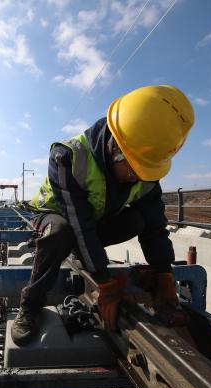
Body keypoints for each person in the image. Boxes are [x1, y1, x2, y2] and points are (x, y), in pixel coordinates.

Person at [11, 85, 195, 346]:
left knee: (137, 220)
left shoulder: (145, 172)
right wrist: (105, 284)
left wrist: (164, 273)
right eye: (133, 170)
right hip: (56, 215)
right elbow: (80, 225)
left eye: (146, 171)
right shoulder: (68, 157)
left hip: (92, 221)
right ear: (114, 148)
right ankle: (29, 307)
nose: (138, 178)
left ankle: (83, 254)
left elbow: (155, 226)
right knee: (61, 232)